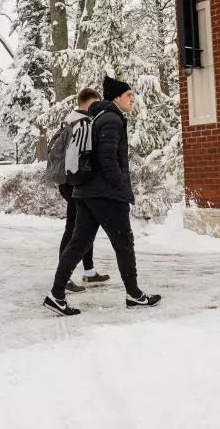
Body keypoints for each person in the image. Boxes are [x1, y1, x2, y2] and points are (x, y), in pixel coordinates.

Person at [44, 75, 161, 316]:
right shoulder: (111, 118)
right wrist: (120, 186)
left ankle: (56, 295)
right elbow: (108, 159)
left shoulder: (98, 116)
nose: (132, 100)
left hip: (87, 191)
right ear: (117, 97)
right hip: (105, 194)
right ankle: (134, 295)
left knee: (79, 243)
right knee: (124, 244)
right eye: (129, 95)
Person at [57, 87, 110, 294]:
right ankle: (65, 277)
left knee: (85, 227)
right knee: (73, 229)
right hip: (75, 183)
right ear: (87, 103)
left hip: (69, 181)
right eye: (95, 104)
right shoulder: (81, 122)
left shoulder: (72, 120)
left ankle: (89, 272)